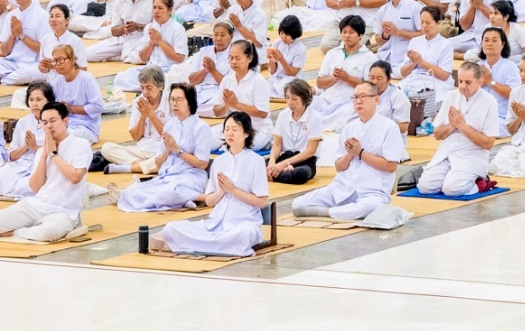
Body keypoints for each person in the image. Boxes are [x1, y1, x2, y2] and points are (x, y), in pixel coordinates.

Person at [148, 111, 269, 258]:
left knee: (244, 235)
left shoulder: (256, 161)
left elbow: (262, 202)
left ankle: (192, 245)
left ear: (246, 133)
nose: (230, 133)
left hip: (243, 223)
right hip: (215, 224)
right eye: (227, 129)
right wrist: (222, 191)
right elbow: (210, 202)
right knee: (170, 228)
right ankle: (212, 245)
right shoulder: (219, 161)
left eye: (235, 129)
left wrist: (232, 190)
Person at [290, 84, 409, 227]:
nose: (358, 101)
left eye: (363, 96)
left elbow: (390, 166)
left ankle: (326, 213)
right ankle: (334, 211)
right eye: (355, 97)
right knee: (298, 204)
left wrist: (360, 153)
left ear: (377, 100)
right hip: (343, 186)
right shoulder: (349, 127)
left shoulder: (389, 127)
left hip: (372, 192)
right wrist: (350, 154)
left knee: (368, 207)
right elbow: (339, 167)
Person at [114, 83, 213, 213]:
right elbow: (159, 164)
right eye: (172, 99)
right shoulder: (170, 126)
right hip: (167, 177)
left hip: (190, 178)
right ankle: (184, 200)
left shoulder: (201, 128)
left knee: (173, 190)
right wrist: (167, 150)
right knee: (132, 191)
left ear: (189, 102)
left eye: (179, 100)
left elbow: (202, 163)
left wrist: (178, 150)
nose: (174, 104)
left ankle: (192, 198)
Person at [0, 101, 91, 243]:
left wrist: (53, 154)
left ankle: (16, 232)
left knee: (47, 234)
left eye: (53, 121)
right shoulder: (42, 151)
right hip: (37, 204)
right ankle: (27, 229)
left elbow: (75, 177)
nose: (48, 126)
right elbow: (35, 187)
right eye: (45, 122)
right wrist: (44, 154)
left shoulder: (80, 144)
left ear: (65, 121)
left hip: (64, 211)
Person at [417, 61, 504, 196]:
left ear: (480, 81)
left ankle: (481, 183)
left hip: (471, 155)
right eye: (460, 81)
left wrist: (462, 126)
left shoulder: (489, 101)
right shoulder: (451, 96)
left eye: (468, 82)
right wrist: (452, 125)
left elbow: (488, 143)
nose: (462, 86)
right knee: (424, 187)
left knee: (452, 190)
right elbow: (437, 134)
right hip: (446, 152)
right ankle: (451, 177)